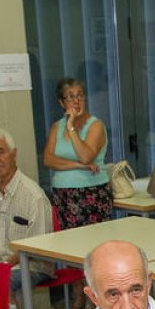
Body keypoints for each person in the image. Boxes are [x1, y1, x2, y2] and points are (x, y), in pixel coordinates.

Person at [0, 128, 53, 297]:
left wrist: (2, 267)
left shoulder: (33, 195)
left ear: (13, 154)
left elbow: (35, 247)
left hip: (31, 265)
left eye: (1, 152)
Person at [41, 77, 109, 229]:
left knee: (90, 244)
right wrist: (76, 165)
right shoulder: (56, 127)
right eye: (70, 97)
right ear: (61, 102)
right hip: (62, 193)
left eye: (80, 95)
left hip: (90, 192)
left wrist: (71, 126)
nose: (76, 101)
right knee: (69, 244)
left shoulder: (95, 125)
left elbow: (85, 157)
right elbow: (48, 160)